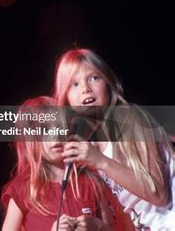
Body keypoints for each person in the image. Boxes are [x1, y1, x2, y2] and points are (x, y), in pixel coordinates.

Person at [54, 48, 175, 229]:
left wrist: (100, 160)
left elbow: (158, 195)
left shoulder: (129, 119)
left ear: (108, 84)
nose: (86, 89)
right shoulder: (94, 143)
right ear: (67, 99)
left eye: (94, 78)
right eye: (74, 84)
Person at [1, 96, 116, 231]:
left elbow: (113, 228)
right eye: (45, 130)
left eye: (59, 127)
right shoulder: (23, 190)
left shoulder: (92, 181)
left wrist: (98, 226)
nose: (55, 135)